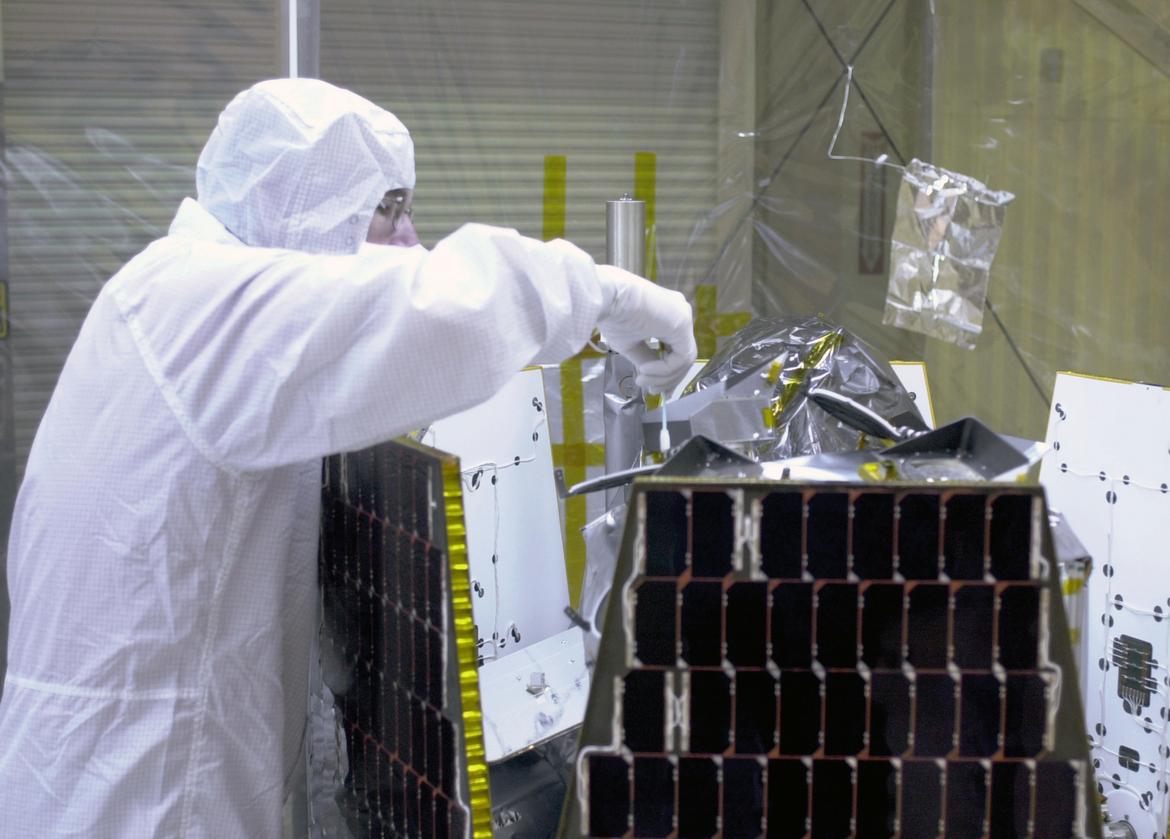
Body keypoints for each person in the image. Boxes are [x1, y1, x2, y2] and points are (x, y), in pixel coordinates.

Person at [0, 78, 694, 837]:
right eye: (385, 206)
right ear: (297, 200)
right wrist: (610, 298)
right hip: (142, 801)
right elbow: (436, 310)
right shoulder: (202, 309)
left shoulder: (175, 300)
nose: (406, 236)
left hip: (114, 777)